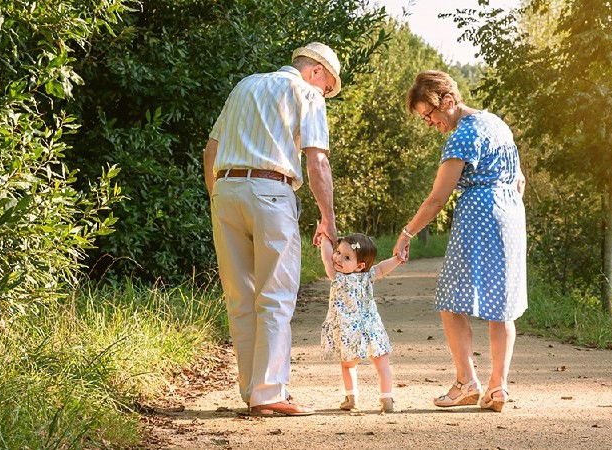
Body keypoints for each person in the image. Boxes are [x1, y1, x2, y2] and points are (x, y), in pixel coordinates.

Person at [203, 42, 342, 416]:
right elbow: (317, 162)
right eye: (328, 86)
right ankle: (269, 394)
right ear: (315, 72)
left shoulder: (245, 85)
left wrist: (217, 198)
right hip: (271, 191)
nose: (325, 93)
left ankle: (252, 390)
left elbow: (211, 148)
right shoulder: (306, 93)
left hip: (227, 190)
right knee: (275, 295)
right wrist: (327, 219)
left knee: (240, 297)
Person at [393, 70, 527, 413]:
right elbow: (520, 180)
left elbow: (437, 199)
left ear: (449, 101)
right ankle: (498, 388)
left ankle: (466, 382)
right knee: (503, 305)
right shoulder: (496, 123)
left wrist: (406, 234)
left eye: (430, 115)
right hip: (511, 215)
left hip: (478, 217)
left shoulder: (461, 137)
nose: (429, 123)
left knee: (450, 300)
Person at [319, 233, 402, 413]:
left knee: (348, 365)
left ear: (360, 266)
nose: (338, 259)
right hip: (372, 328)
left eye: (347, 257)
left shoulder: (338, 277)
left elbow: (326, 259)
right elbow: (381, 268)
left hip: (350, 332)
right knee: (383, 365)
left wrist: (325, 239)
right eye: (338, 252)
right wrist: (397, 259)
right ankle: (387, 399)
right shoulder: (367, 275)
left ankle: (351, 398)